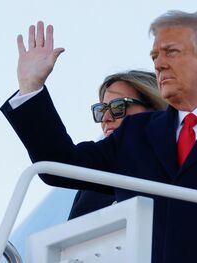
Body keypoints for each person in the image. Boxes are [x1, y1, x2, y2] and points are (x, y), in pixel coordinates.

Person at [1, 10, 197, 263]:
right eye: (155, 57)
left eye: (172, 52)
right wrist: (31, 87)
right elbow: (60, 164)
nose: (160, 64)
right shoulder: (136, 135)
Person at [68, 70, 167, 219]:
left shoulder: (179, 161)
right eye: (101, 110)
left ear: (155, 108)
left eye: (117, 107)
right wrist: (31, 85)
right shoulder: (89, 188)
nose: (106, 118)